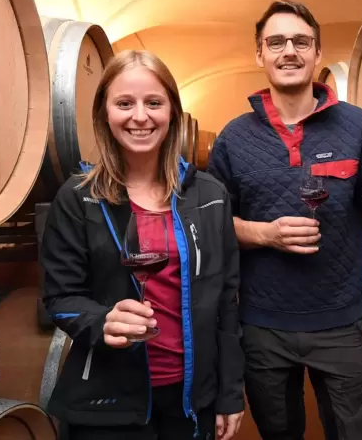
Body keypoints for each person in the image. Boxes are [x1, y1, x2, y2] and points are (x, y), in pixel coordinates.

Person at [206, 0, 362, 440]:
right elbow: (210, 224)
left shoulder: (357, 126)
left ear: (317, 53)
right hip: (262, 327)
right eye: (275, 42)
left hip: (341, 322)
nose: (288, 51)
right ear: (260, 55)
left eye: (301, 41)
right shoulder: (234, 138)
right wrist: (264, 234)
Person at [40, 49, 245, 440]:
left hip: (190, 400)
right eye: (124, 103)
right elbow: (60, 298)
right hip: (108, 400)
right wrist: (102, 321)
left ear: (173, 112)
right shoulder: (79, 197)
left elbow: (227, 302)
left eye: (154, 102)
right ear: (104, 113)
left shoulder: (210, 195)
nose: (140, 116)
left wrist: (229, 394)